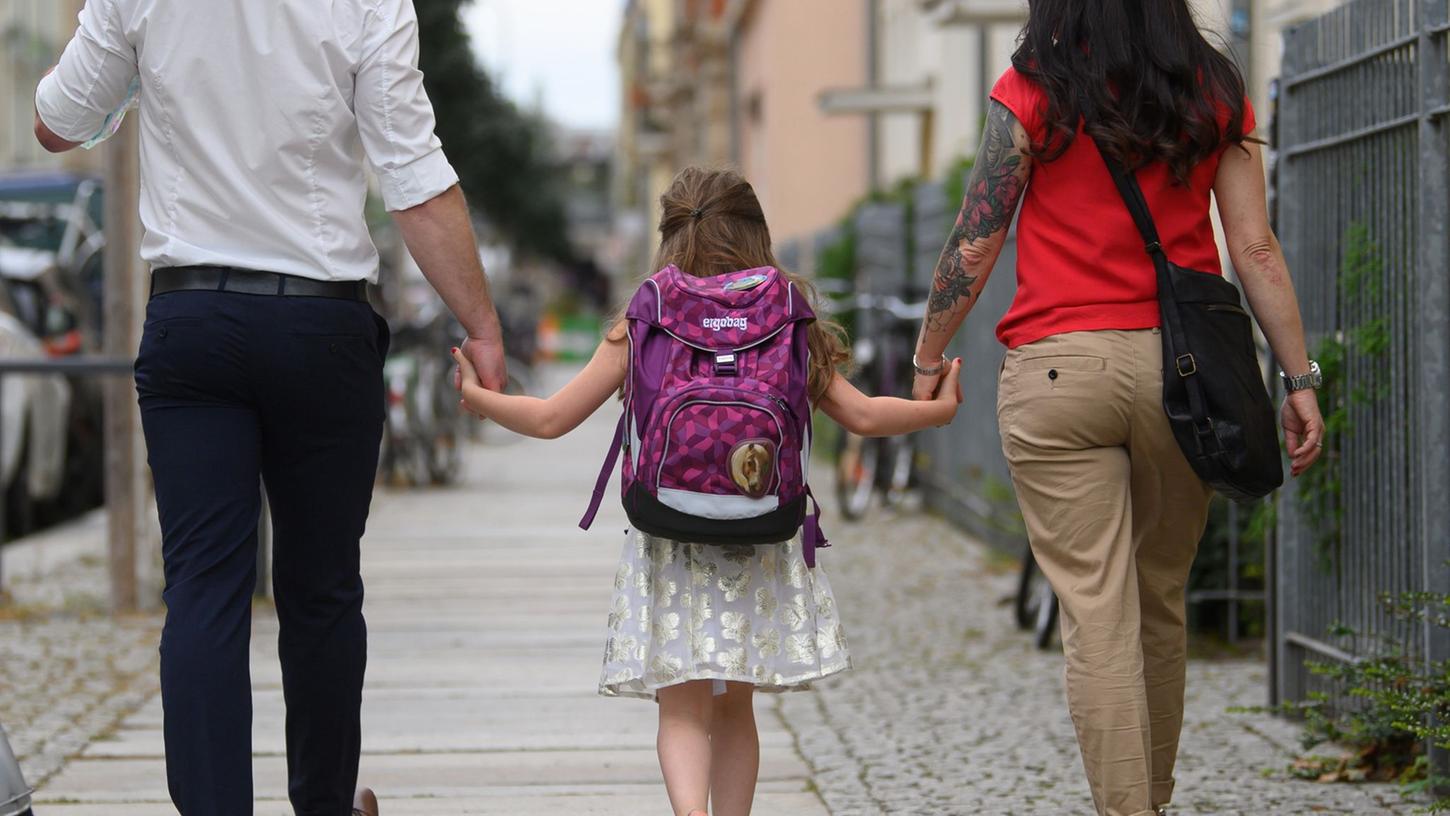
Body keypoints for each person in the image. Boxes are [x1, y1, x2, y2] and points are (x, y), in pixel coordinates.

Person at [33, 2, 506, 814]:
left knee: (203, 588)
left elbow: (56, 122)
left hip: (193, 321)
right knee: (322, 589)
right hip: (321, 321)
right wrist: (482, 326)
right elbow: (412, 177)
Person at [908, 2, 1325, 815]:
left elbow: (975, 239)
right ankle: (1153, 801)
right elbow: (1255, 248)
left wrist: (929, 356)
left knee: (1096, 610)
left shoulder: (1032, 88)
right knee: (1159, 597)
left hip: (1059, 375)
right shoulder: (1212, 89)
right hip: (1185, 375)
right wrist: (1298, 377)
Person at [450, 167, 962, 816]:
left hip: (669, 532)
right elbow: (861, 416)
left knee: (683, 703)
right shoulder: (787, 311)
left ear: (669, 236)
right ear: (756, 233)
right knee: (735, 704)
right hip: (757, 526)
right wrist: (936, 412)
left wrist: (476, 396)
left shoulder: (648, 311)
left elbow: (552, 418)